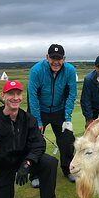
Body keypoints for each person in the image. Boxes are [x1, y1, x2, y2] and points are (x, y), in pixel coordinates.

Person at [27, 44, 77, 184]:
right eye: (53, 58)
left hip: (59, 110)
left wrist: (67, 118)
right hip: (39, 109)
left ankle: (68, 169)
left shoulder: (70, 70)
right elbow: (33, 96)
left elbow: (71, 94)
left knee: (67, 140)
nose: (56, 61)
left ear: (64, 59)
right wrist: (37, 121)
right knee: (35, 140)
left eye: (59, 58)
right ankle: (34, 174)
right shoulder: (36, 70)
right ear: (47, 57)